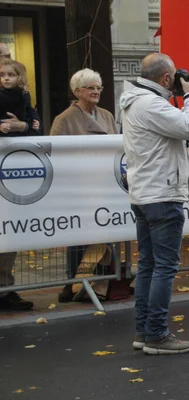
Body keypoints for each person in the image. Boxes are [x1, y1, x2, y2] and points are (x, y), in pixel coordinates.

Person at [120, 52, 189, 355]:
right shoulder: (151, 103)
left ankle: (144, 331)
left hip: (145, 194)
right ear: (166, 79)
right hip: (163, 194)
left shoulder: (135, 101)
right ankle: (156, 333)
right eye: (174, 80)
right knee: (164, 267)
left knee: (149, 265)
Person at [50, 68, 117, 303]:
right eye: (91, 87)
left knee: (105, 233)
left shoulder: (107, 116)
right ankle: (71, 282)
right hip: (78, 187)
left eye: (99, 87)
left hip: (104, 185)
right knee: (77, 235)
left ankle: (101, 283)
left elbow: (117, 147)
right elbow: (55, 153)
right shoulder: (64, 119)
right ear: (77, 91)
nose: (96, 91)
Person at [0, 52, 39, 311]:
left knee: (8, 233)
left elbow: (37, 127)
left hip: (11, 173)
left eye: (9, 67)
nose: (5, 76)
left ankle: (5, 289)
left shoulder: (24, 96)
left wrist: (22, 127)